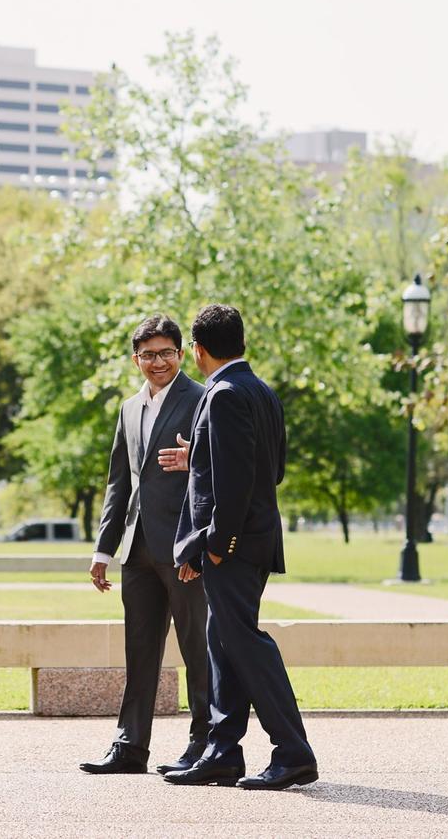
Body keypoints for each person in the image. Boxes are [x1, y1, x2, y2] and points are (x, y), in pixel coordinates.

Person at [162, 304, 318, 791]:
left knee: (245, 642)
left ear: (197, 349)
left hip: (233, 543)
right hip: (248, 539)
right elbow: (271, 469)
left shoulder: (224, 394)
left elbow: (234, 482)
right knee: (221, 641)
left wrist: (215, 545)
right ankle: (221, 752)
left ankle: (293, 753)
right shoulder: (261, 391)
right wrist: (200, 455)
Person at [78, 315, 212, 777]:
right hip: (136, 552)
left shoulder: (203, 401)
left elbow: (219, 474)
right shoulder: (128, 408)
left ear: (181, 353)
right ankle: (129, 747)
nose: (159, 362)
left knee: (199, 651)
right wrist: (103, 550)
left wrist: (201, 543)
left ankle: (204, 745)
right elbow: (120, 484)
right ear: (136, 359)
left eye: (168, 352)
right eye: (149, 354)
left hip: (185, 551)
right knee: (139, 652)